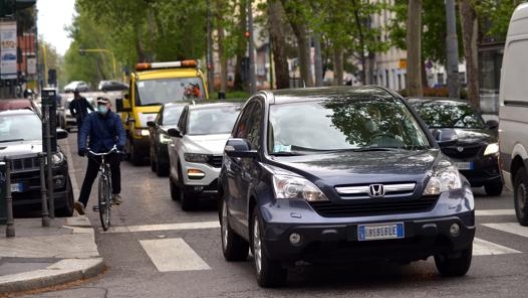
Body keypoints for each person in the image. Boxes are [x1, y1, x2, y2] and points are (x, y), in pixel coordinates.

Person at [74, 97, 126, 215]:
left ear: (109, 105)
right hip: (95, 150)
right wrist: (82, 147)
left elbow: (121, 132)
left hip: (110, 149)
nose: (101, 106)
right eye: (99, 104)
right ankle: (81, 203)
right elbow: (84, 132)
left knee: (115, 166)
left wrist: (121, 144)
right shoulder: (91, 118)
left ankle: (116, 193)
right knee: (90, 176)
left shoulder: (115, 118)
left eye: (104, 104)